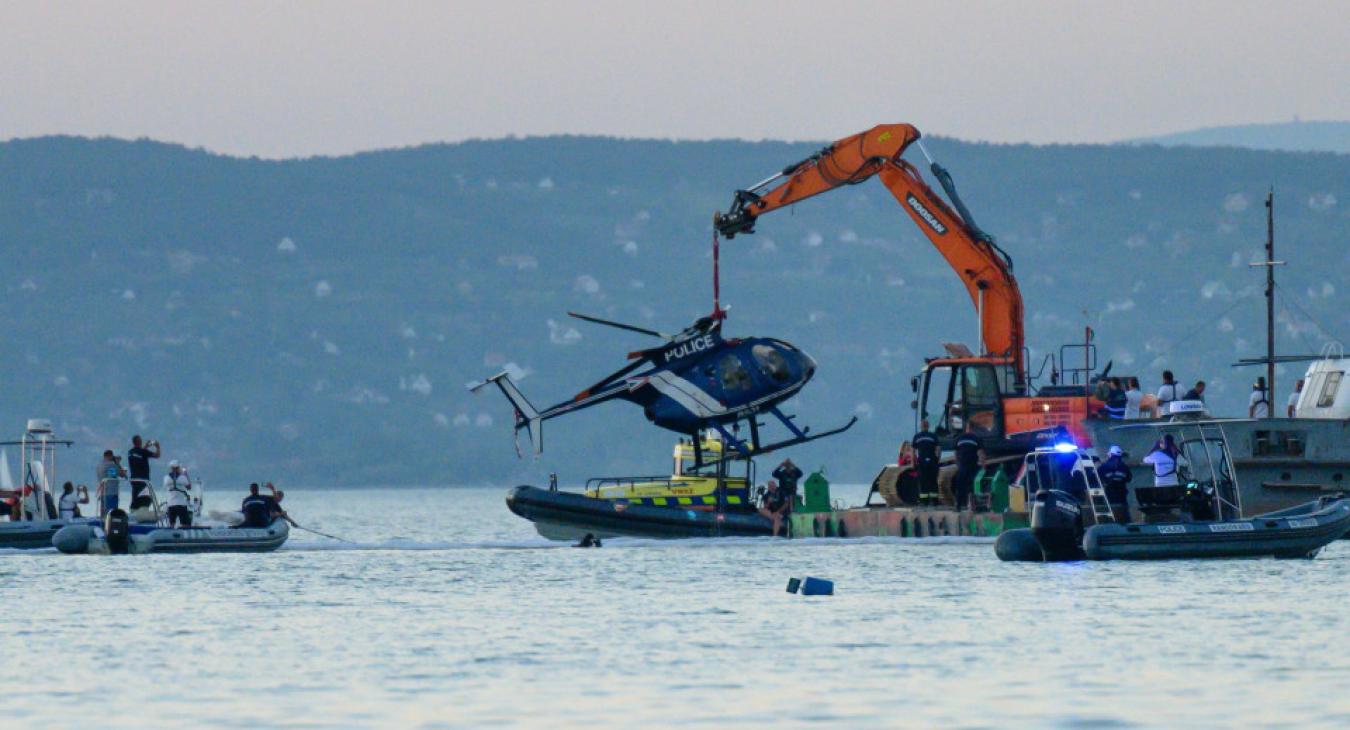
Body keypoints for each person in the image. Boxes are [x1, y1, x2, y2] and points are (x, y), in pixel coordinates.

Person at [1098, 446, 1133, 523]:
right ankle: (1126, 524)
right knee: (1123, 511)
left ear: (1110, 454)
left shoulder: (1103, 467)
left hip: (1109, 492)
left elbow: (1098, 478)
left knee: (1110, 510)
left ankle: (1111, 524)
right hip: (1121, 493)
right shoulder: (1124, 467)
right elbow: (1128, 478)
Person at [952, 425, 981, 511]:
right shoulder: (976, 438)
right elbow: (980, 453)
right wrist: (983, 466)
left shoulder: (959, 438)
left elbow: (955, 453)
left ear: (966, 429)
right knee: (971, 486)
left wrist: (957, 464)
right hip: (972, 466)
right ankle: (971, 505)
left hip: (962, 466)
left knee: (960, 486)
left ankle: (958, 505)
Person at [912, 419, 940, 506]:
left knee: (923, 481)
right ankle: (934, 501)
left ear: (921, 426)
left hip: (922, 462)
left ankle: (924, 502)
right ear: (928, 426)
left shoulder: (917, 437)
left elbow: (913, 451)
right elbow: (938, 449)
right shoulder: (933, 436)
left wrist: (913, 462)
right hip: (932, 461)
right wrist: (937, 459)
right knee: (933, 481)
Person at [126, 435, 161, 502]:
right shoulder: (143, 452)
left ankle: (133, 509)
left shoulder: (130, 452)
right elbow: (157, 455)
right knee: (144, 497)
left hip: (134, 479)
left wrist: (146, 446)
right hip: (143, 479)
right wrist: (157, 446)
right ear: (140, 442)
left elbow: (139, 453)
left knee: (135, 497)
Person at [163, 460, 193, 528]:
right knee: (185, 524)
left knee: (171, 524)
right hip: (181, 504)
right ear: (178, 467)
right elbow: (189, 487)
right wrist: (186, 474)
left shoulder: (166, 478)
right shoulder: (182, 477)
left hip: (171, 504)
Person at [96, 450, 126, 516]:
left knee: (104, 512)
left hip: (103, 491)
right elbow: (122, 474)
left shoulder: (99, 464)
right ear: (111, 456)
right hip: (111, 492)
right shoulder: (111, 465)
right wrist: (117, 463)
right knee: (111, 513)